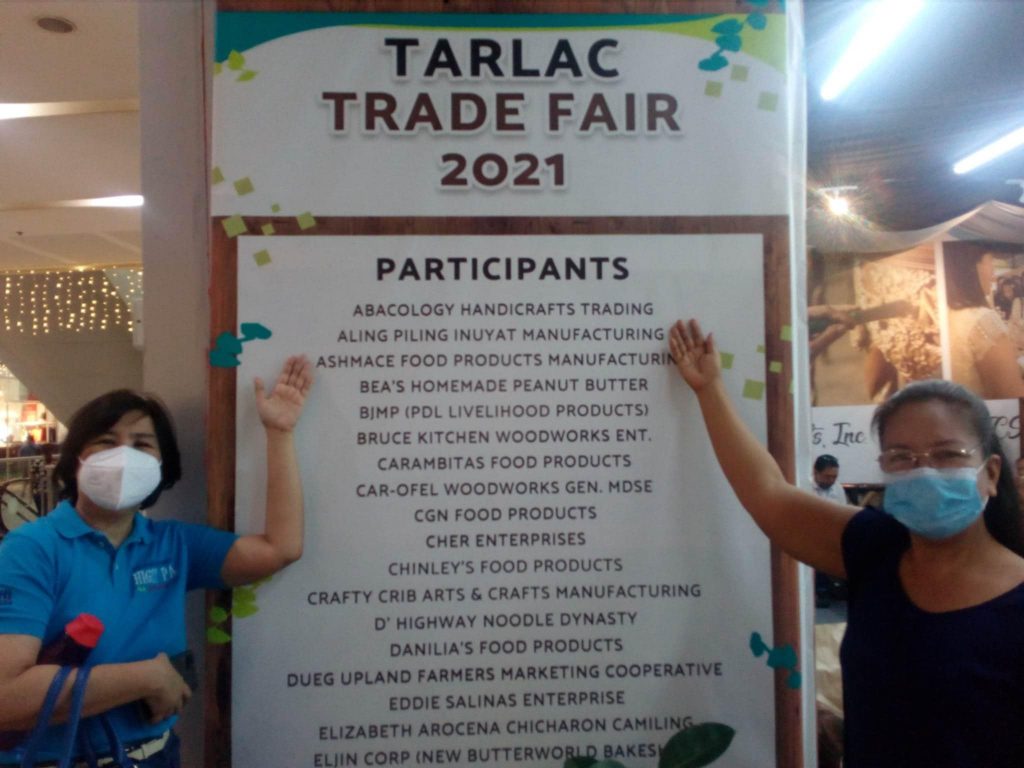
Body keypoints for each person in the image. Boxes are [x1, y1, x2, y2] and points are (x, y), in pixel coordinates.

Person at [669, 318, 1024, 768]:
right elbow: (769, 494)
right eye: (902, 457)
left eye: (947, 454)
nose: (925, 470)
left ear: (991, 473)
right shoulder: (876, 549)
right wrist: (709, 390)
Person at [0, 356, 313, 767]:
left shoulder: (172, 545)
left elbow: (281, 548)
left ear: (160, 467)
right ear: (77, 458)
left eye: (142, 445)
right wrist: (144, 677)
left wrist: (279, 432)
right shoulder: (32, 548)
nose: (124, 456)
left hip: (157, 756)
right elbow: (7, 697)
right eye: (107, 442)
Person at [944, 242, 1024, 398]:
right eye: (991, 262)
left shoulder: (948, 314)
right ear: (973, 266)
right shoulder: (982, 320)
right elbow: (1013, 396)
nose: (993, 274)